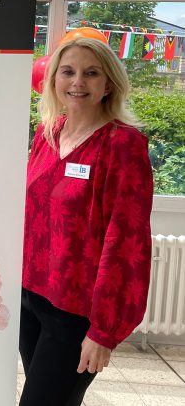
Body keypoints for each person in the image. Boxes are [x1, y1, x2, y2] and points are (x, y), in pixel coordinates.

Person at [19, 37, 153, 406]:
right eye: (68, 72)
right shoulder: (48, 134)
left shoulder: (123, 145)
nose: (78, 82)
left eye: (91, 73)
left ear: (108, 83)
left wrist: (105, 331)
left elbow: (127, 242)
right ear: (54, 80)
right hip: (29, 299)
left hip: (75, 312)